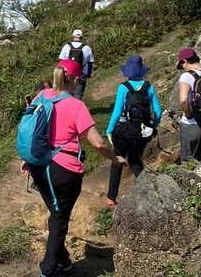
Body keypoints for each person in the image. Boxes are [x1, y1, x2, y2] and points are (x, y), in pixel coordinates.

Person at [21, 59, 124, 277]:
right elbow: (97, 142)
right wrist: (115, 159)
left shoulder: (42, 95)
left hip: (38, 166)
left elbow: (30, 127)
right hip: (63, 171)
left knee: (56, 213)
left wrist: (27, 156)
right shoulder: (76, 106)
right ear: (76, 79)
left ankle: (64, 261)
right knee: (59, 218)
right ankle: (48, 270)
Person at [105, 55, 162, 207]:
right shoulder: (148, 87)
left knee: (117, 162)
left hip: (123, 131)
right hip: (141, 132)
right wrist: (152, 126)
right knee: (135, 162)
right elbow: (158, 110)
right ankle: (148, 192)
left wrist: (109, 130)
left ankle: (111, 198)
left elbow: (117, 112)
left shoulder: (123, 87)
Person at [58, 29, 94, 100]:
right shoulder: (87, 48)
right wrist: (88, 74)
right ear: (81, 37)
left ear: (73, 36)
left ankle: (67, 110)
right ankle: (77, 109)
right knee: (78, 95)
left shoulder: (66, 47)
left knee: (67, 95)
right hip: (81, 75)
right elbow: (90, 63)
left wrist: (61, 75)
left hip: (68, 75)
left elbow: (61, 61)